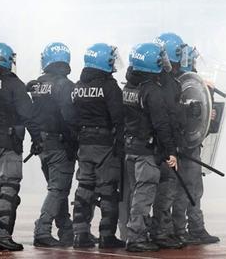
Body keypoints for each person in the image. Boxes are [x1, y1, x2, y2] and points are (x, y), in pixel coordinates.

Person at [0, 42, 43, 251]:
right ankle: (1, 233)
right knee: (9, 187)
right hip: (8, 142)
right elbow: (27, 115)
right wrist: (37, 139)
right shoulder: (14, 84)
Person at [156, 32, 219, 246]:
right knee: (176, 188)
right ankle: (178, 229)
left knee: (189, 187)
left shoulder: (183, 79)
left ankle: (188, 228)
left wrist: (205, 116)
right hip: (174, 143)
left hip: (183, 142)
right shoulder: (164, 82)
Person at [122, 43, 177, 252]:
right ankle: (136, 238)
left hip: (131, 148)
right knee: (144, 195)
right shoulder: (151, 90)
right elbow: (161, 124)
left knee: (136, 193)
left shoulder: (129, 87)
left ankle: (135, 234)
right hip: (146, 151)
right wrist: (171, 151)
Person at [71, 43, 125, 249]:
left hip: (84, 143)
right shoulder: (109, 86)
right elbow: (118, 118)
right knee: (108, 190)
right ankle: (106, 235)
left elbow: (73, 116)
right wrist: (119, 144)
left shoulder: (79, 86)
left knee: (84, 188)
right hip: (105, 145)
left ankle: (80, 234)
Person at [30, 42, 77, 247]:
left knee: (59, 189)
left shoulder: (39, 83)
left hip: (42, 143)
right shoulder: (65, 85)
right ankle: (43, 228)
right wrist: (73, 141)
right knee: (58, 189)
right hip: (59, 143)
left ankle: (66, 229)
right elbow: (69, 117)